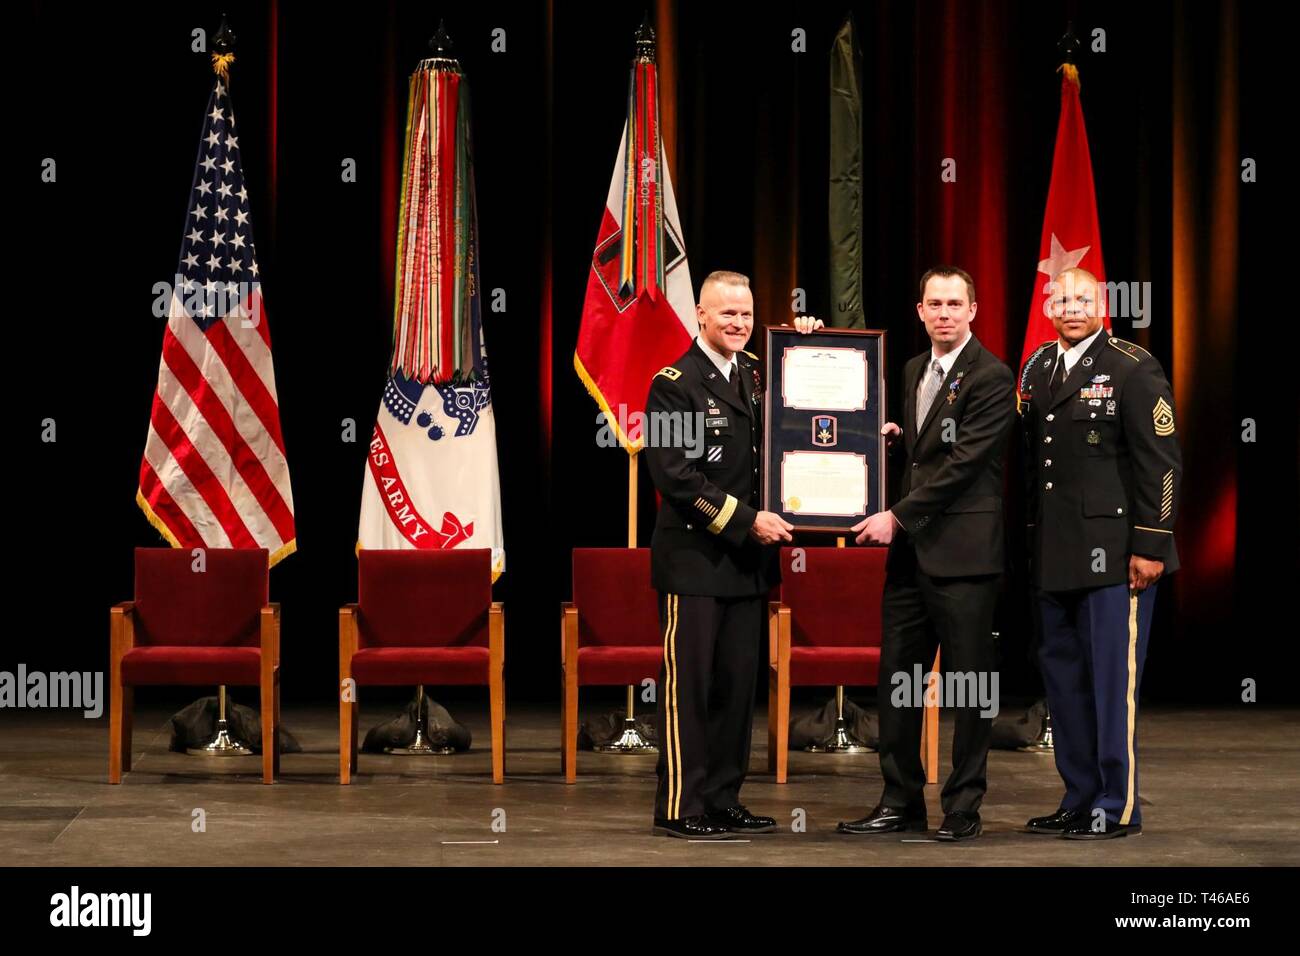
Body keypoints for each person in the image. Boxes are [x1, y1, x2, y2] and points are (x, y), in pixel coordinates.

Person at [833, 266, 1016, 842]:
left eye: (954, 303)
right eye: (933, 303)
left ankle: (963, 807)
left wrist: (898, 515)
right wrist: (896, 440)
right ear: (919, 311)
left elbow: (963, 467)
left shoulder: (992, 376)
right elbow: (931, 450)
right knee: (899, 681)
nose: (943, 312)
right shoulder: (914, 369)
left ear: (973, 310)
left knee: (969, 687)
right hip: (912, 560)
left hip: (964, 557)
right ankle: (900, 800)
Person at [1019, 267, 1181, 840]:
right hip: (1054, 554)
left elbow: (1160, 465)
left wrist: (1151, 546)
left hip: (1116, 558)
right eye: (1060, 298)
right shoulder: (1038, 366)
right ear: (1048, 305)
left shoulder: (1132, 367)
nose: (1070, 307)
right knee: (1063, 683)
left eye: (1082, 298)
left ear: (1103, 304)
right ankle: (1079, 794)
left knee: (1113, 685)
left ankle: (1116, 804)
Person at [643, 269, 797, 839]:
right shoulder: (674, 383)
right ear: (701, 316)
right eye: (727, 313)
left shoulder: (760, 375)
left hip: (748, 564)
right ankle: (683, 805)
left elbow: (805, 414)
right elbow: (676, 477)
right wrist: (745, 519)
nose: (738, 323)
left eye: (746, 314)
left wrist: (805, 340)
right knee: (691, 687)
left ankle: (724, 797)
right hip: (695, 561)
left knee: (737, 688)